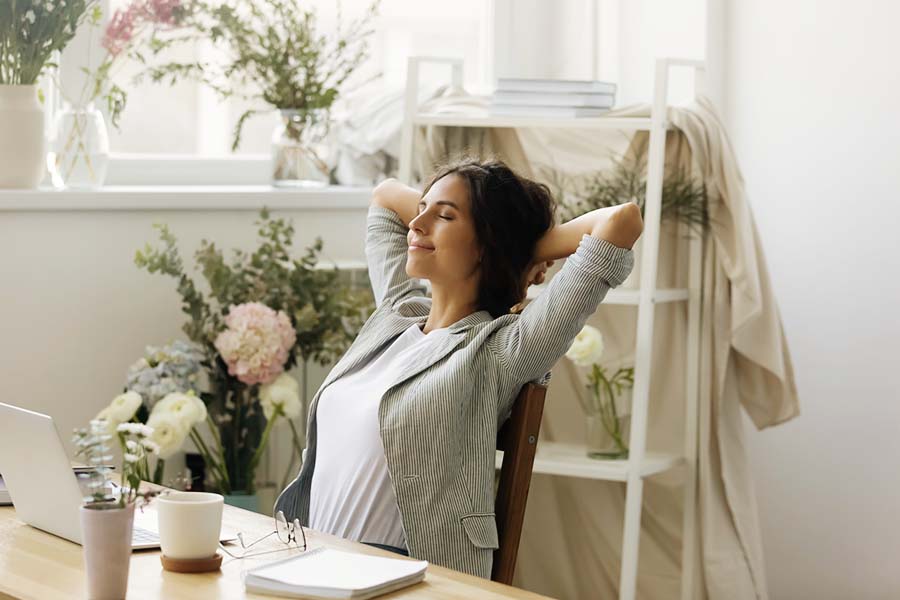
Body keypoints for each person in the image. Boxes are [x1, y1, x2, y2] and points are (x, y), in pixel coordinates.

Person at [275, 158, 642, 578]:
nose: (417, 223)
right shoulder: (395, 315)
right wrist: (489, 234)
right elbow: (384, 197)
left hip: (406, 578)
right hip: (312, 562)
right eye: (422, 209)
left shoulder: (502, 351)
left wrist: (516, 244)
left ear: (487, 243)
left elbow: (621, 222)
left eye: (445, 215)